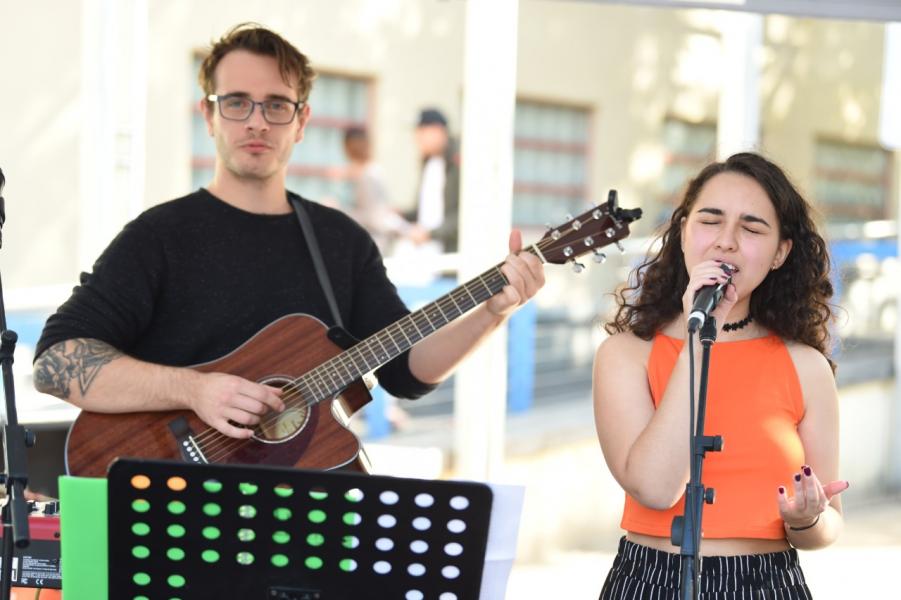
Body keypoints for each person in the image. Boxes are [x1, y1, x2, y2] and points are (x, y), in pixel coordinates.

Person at [31, 24, 543, 451]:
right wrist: (194, 390)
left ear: (301, 122)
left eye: (277, 105)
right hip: (175, 503)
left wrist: (493, 310)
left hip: (308, 506)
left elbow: (406, 372)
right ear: (208, 115)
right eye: (236, 102)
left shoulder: (340, 242)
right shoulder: (159, 237)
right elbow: (55, 363)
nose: (257, 121)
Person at [593, 152, 848, 599]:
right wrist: (697, 332)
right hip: (652, 579)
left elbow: (828, 526)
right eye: (710, 221)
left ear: (780, 253)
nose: (726, 241)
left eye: (751, 228)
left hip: (768, 582)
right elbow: (655, 487)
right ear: (684, 233)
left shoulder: (805, 365)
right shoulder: (626, 355)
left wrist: (808, 518)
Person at [341, 125, 426, 254]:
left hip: (375, 244)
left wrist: (340, 212)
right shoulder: (367, 173)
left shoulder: (370, 175)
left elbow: (377, 217)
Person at [410, 107, 460, 252]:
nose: (417, 138)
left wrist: (431, 234)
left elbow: (466, 213)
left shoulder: (458, 161)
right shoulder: (428, 162)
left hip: (450, 254)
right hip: (426, 252)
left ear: (438, 130)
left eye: (421, 132)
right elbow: (425, 210)